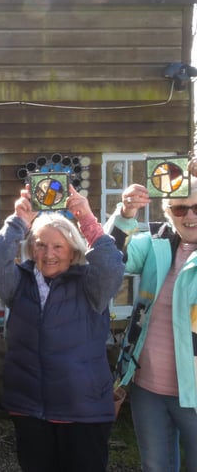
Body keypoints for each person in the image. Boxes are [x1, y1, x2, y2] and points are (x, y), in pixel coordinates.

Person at [0, 183, 125, 472]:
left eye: (58, 246)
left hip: (83, 411)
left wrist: (86, 219)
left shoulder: (90, 286)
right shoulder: (18, 283)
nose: (49, 254)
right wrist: (20, 220)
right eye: (41, 245)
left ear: (72, 251)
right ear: (31, 248)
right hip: (31, 409)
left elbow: (111, 265)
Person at [103, 175, 197, 472]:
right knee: (156, 467)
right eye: (181, 209)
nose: (190, 216)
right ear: (168, 212)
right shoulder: (156, 244)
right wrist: (126, 213)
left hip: (194, 391)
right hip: (149, 387)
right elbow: (110, 258)